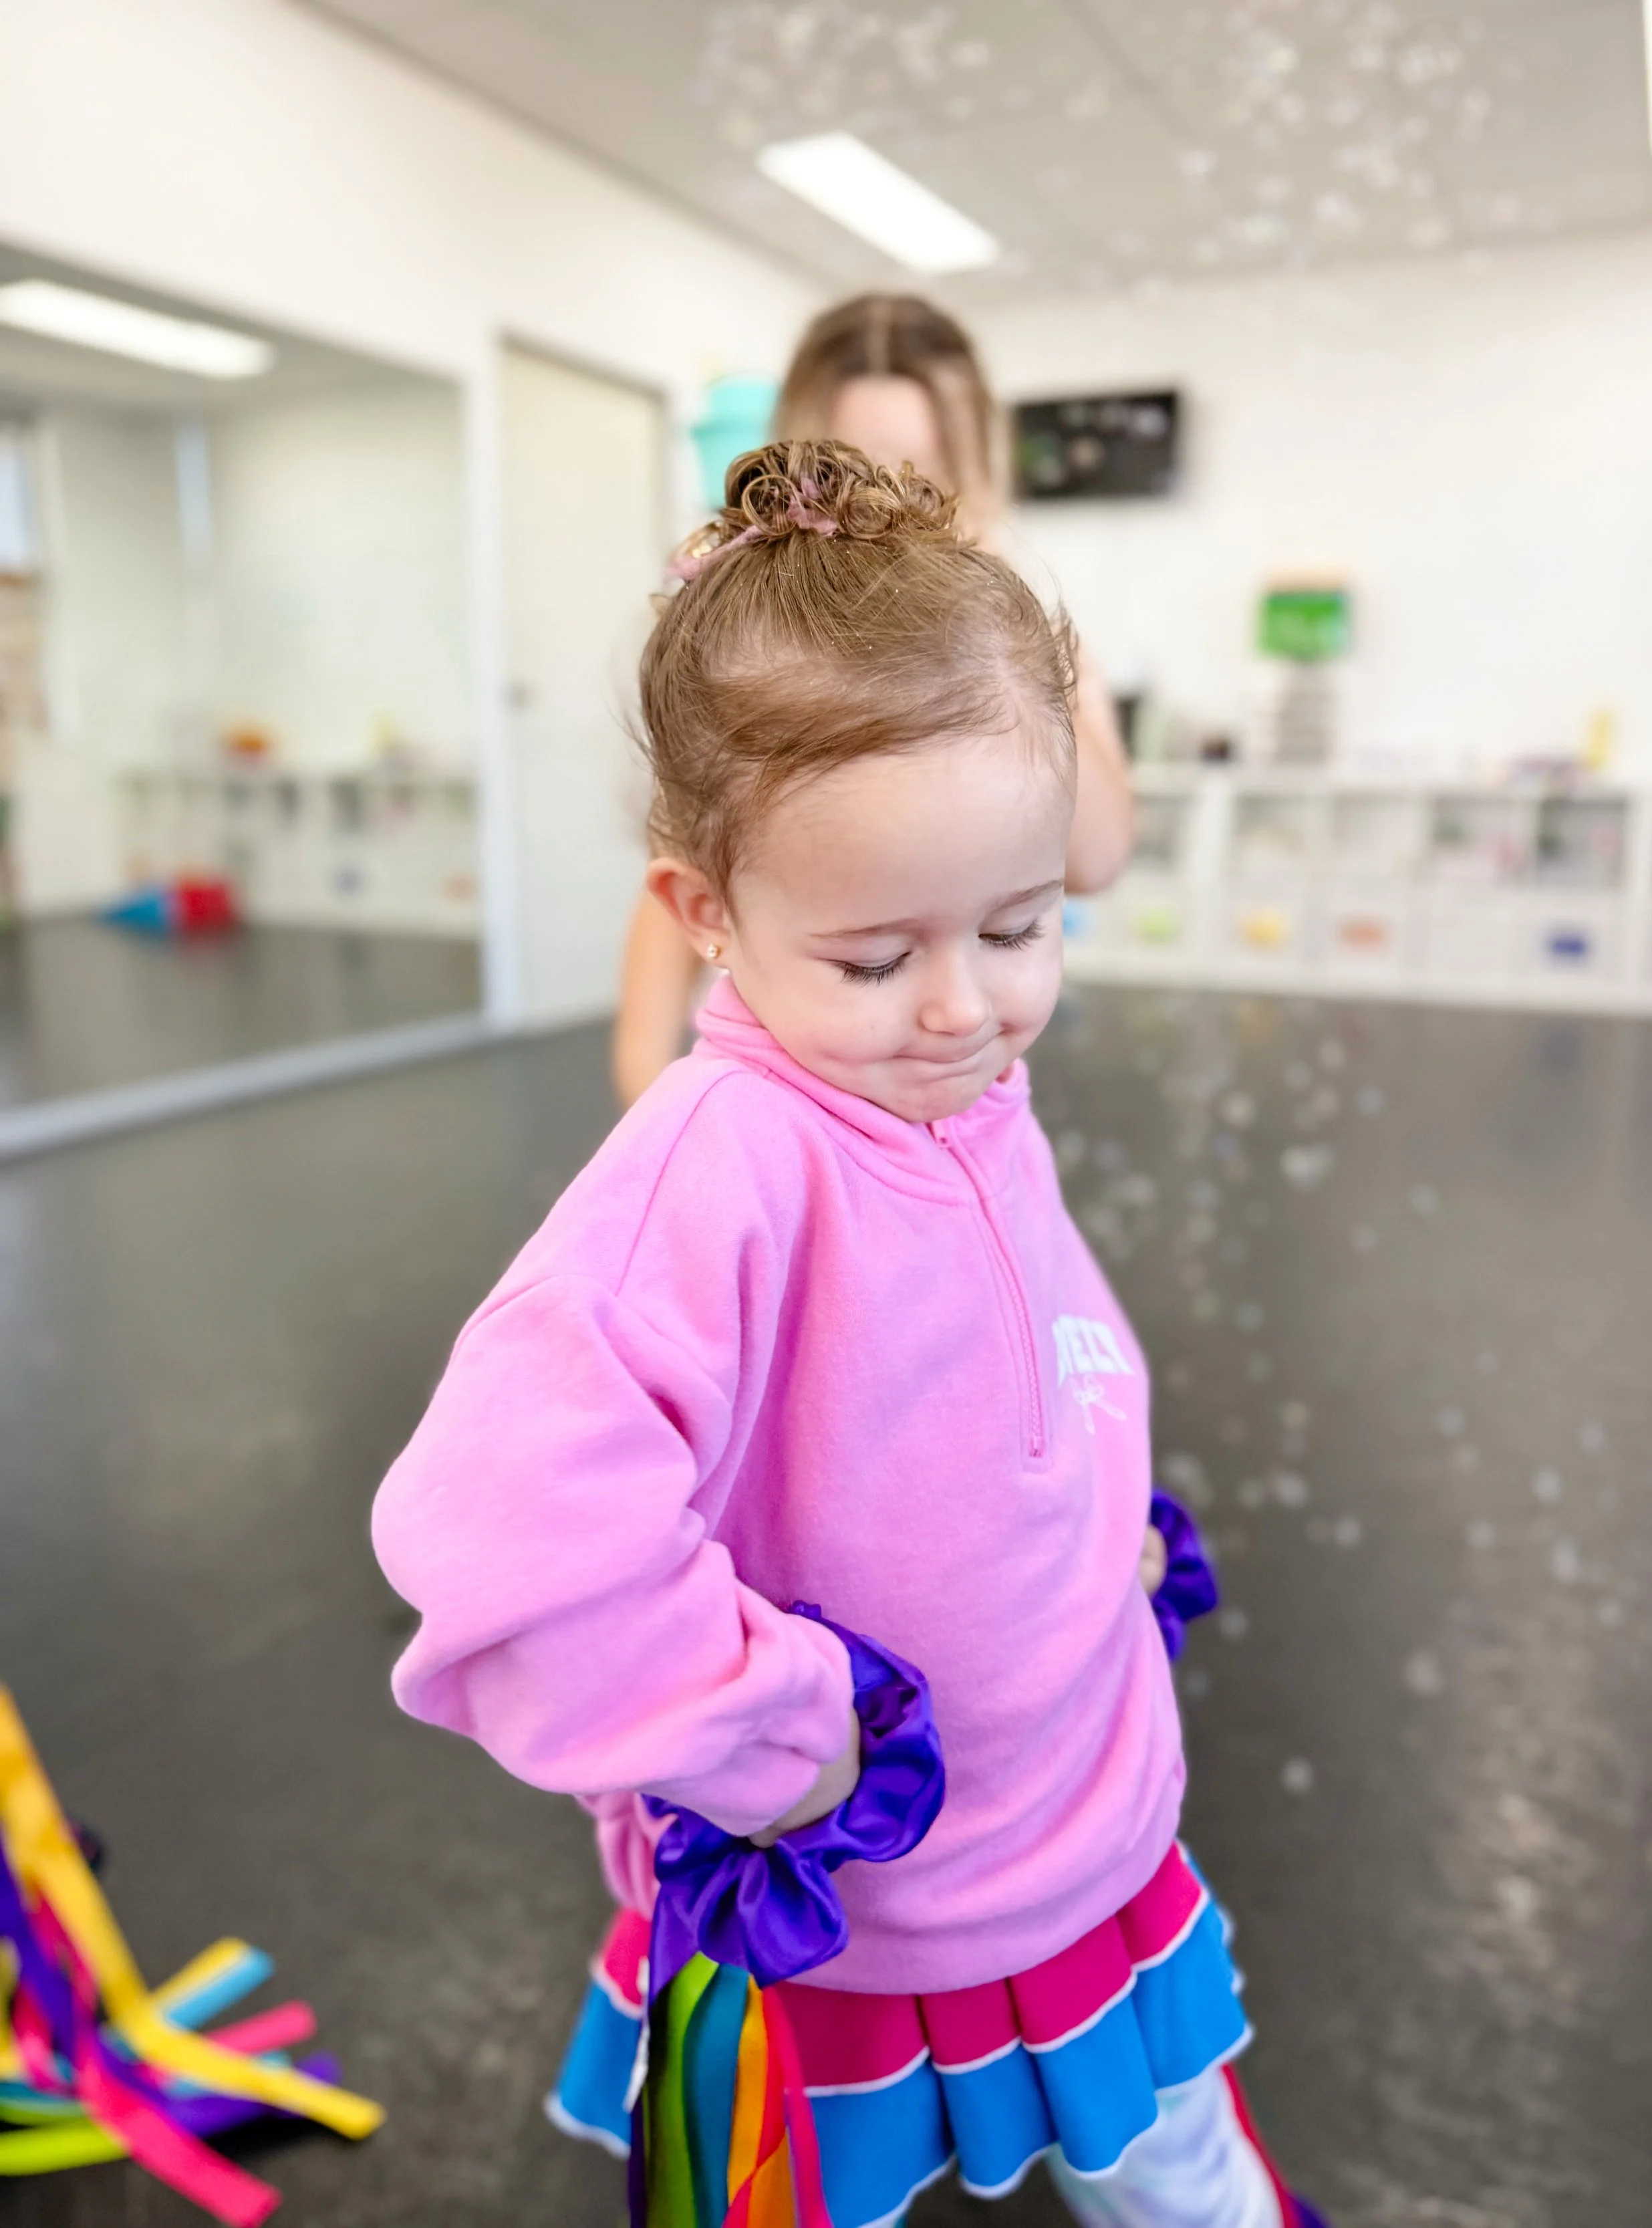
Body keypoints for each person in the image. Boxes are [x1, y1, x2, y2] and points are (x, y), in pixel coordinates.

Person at [373, 444, 1325, 2228]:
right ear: (705, 914)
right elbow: (507, 1541)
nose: (965, 1005)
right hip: (870, 1909)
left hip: (1080, 1810)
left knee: (1180, 2156)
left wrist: (1091, 1509)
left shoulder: (966, 1082)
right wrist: (775, 1736)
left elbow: (1039, 1311)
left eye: (1021, 924)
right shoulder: (713, 1163)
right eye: (877, 956)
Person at [611, 293, 1134, 1108]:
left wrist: (1003, 645)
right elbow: (688, 855)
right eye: (874, 466)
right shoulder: (768, 652)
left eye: (936, 473)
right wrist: (650, 1096)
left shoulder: (1020, 636)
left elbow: (1095, 859)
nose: (908, 503)